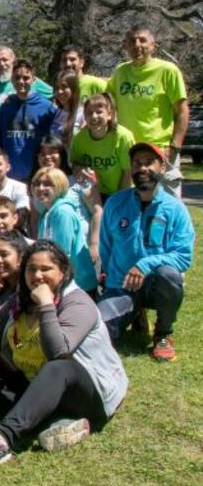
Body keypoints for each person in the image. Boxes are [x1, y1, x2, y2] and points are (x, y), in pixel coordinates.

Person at [0, 241, 127, 474]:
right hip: (42, 381)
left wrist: (46, 304)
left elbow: (57, 353)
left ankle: (2, 439)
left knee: (57, 368)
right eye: (31, 269)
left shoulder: (77, 302)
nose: (37, 276)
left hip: (91, 391)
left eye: (46, 269)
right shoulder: (20, 300)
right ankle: (58, 422)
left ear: (63, 272)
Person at [97, 142, 194, 361]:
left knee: (169, 274)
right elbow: (106, 248)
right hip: (123, 285)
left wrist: (144, 265)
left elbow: (183, 255)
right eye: (137, 163)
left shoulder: (175, 209)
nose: (143, 168)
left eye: (149, 162)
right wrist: (113, 283)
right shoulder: (115, 203)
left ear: (162, 167)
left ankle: (163, 333)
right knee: (98, 332)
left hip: (157, 286)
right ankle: (135, 312)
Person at [107, 25, 188, 197]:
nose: (137, 45)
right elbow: (108, 105)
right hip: (130, 151)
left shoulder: (167, 71)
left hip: (160, 150)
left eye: (142, 40)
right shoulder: (120, 72)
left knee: (168, 203)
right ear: (126, 46)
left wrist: (174, 146)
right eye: (132, 41)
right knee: (133, 203)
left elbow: (182, 111)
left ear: (153, 46)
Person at [31, 167, 97, 295]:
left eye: (47, 184)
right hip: (60, 281)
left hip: (77, 285)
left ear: (59, 186)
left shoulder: (62, 212)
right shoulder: (46, 213)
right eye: (36, 184)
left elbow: (63, 253)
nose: (40, 188)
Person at [0, 59, 57, 182]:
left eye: (26, 78)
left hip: (37, 175)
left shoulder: (46, 107)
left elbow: (53, 142)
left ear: (33, 79)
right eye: (17, 78)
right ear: (12, 80)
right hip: (9, 175)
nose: (21, 81)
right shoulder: (6, 107)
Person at [70, 93, 134, 199]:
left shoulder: (123, 137)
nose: (94, 116)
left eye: (99, 112)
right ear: (84, 116)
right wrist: (79, 169)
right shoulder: (79, 138)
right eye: (89, 113)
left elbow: (129, 172)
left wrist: (120, 200)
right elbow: (75, 164)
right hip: (92, 191)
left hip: (120, 191)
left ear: (109, 115)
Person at [0, 45, 53, 124]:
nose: (1, 64)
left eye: (5, 60)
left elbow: (55, 94)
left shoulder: (27, 80)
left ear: (13, 61)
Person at [50, 69, 83, 146]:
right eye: (57, 88)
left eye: (64, 87)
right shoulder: (56, 113)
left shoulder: (83, 114)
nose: (59, 91)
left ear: (74, 88)